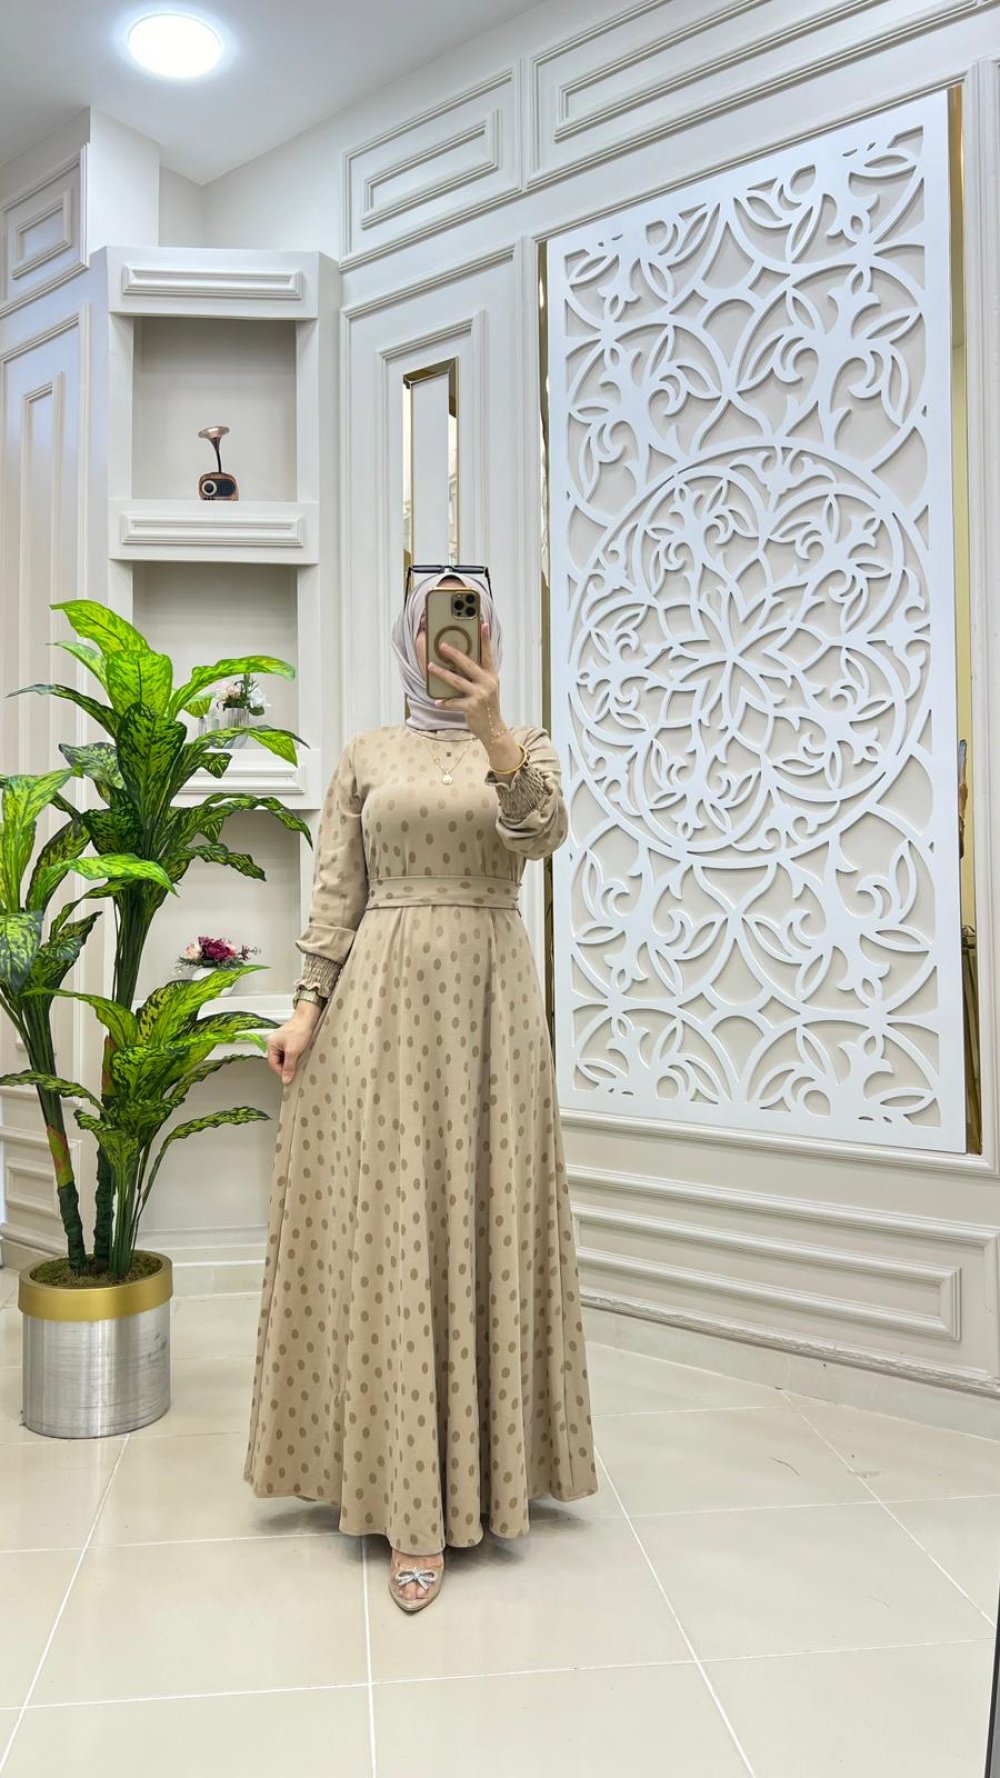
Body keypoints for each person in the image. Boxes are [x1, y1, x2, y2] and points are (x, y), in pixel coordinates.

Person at [243, 566, 598, 1613]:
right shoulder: (366, 753)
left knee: (485, 1220)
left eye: (470, 623)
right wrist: (305, 1005)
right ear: (411, 636)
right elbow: (338, 889)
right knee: (395, 1231)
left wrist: (491, 729)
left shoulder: (524, 744)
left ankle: (487, 1476)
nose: (455, 640)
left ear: (488, 637)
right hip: (382, 1008)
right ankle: (407, 1501)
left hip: (491, 1009)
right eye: (441, 623)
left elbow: (542, 834)